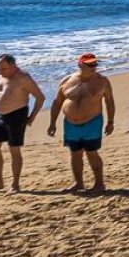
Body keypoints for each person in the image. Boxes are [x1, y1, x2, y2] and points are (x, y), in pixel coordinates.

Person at [49, 53, 116, 194]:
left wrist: (110, 122)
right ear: (80, 64)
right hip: (70, 123)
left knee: (92, 152)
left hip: (92, 122)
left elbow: (109, 102)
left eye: (95, 64)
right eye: (90, 65)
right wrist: (52, 123)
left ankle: (99, 183)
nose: (94, 67)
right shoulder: (67, 80)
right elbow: (57, 102)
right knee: (75, 153)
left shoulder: (102, 81)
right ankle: (78, 183)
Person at [0, 54, 44, 193]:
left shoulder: (23, 78)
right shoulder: (0, 76)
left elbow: (40, 97)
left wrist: (32, 117)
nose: (0, 71)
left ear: (13, 65)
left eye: (3, 68)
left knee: (14, 149)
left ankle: (15, 184)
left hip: (17, 114)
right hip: (0, 115)